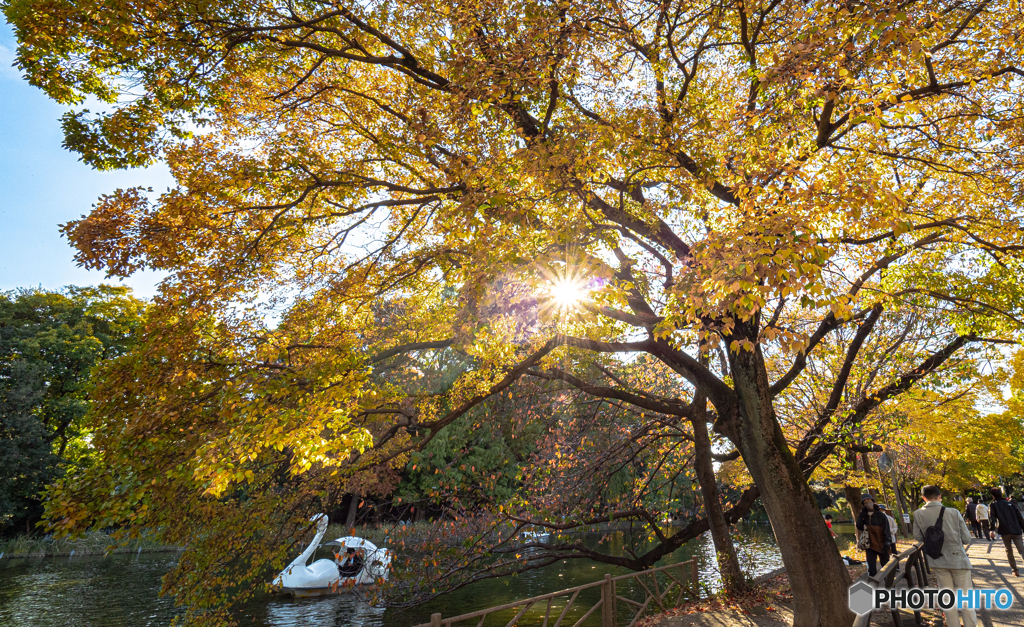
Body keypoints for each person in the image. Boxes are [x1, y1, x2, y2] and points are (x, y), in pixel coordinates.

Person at [913, 485, 977, 627]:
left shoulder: (918, 514)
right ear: (939, 496)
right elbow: (967, 539)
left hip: (937, 560)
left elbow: (918, 537)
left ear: (923, 498)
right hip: (958, 560)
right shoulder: (953, 512)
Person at [989, 487, 1024, 577]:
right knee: (1021, 550)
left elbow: (992, 517)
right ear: (1001, 494)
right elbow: (1019, 517)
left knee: (1009, 550)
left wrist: (991, 529)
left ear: (993, 496)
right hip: (1016, 529)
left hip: (1005, 530)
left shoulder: (993, 504)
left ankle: (1015, 570)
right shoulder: (1010, 503)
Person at [857, 496, 894, 576]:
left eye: (869, 500)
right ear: (863, 504)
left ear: (873, 501)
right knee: (872, 569)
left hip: (882, 544)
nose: (868, 503)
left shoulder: (881, 515)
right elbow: (859, 527)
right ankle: (874, 586)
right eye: (865, 502)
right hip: (870, 545)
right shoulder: (864, 515)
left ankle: (890, 587)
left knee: (886, 569)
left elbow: (886, 530)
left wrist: (887, 544)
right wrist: (861, 517)